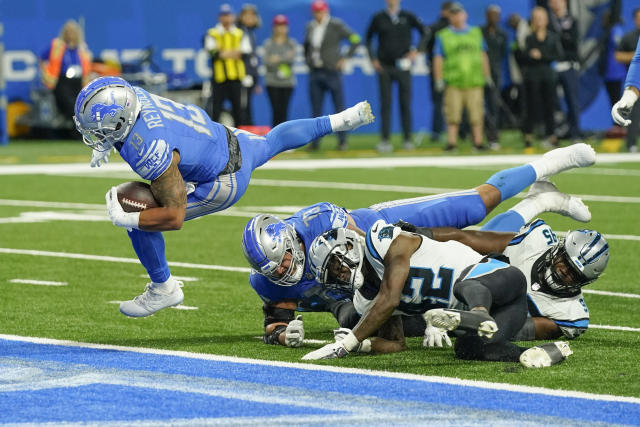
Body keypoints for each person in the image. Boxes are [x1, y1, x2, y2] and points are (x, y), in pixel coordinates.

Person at [73, 76, 374, 317]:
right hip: (228, 139)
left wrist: (129, 218)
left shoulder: (149, 147)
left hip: (221, 180)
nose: (96, 136)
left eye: (99, 131)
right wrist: (108, 142)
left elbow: (173, 216)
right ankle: (342, 120)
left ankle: (163, 287)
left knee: (140, 210)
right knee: (273, 141)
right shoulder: (133, 95)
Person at [241, 143, 596, 347]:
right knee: (488, 256)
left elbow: (371, 256)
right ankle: (538, 203)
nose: (285, 269)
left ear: (289, 238)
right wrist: (284, 335)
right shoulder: (268, 280)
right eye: (275, 269)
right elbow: (276, 319)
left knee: (474, 207)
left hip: (386, 236)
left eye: (286, 259)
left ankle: (551, 162)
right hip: (368, 291)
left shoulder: (317, 221)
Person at [301, 221, 573, 368]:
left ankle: (476, 314)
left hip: (500, 281)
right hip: (509, 314)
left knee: (464, 287)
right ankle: (541, 353)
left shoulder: (380, 241)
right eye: (332, 275)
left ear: (349, 246)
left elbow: (391, 297)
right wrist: (364, 345)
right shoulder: (365, 300)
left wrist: (345, 344)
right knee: (467, 350)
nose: (339, 274)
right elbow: (397, 344)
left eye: (336, 264)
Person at [400, 181, 609, 343]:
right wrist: (422, 234)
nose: (564, 272)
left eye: (574, 274)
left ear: (584, 282)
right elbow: (471, 238)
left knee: (406, 326)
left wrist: (459, 322)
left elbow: (514, 329)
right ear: (559, 249)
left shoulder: (572, 314)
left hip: (488, 313)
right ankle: (541, 200)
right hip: (464, 280)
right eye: (565, 262)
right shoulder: (537, 239)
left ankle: (539, 200)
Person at [366, 0, 426, 152]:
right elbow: (368, 38)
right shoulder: (378, 17)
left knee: (405, 103)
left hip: (403, 65)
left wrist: (416, 51)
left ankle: (407, 139)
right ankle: (385, 140)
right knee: (385, 104)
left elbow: (425, 32)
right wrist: (373, 59)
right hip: (385, 66)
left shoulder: (408, 16)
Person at [432, 2, 492, 151]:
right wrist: (438, 78)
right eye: (453, 14)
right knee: (453, 114)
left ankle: (477, 142)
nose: (457, 16)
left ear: (465, 15)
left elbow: (483, 54)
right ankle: (452, 142)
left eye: (459, 13)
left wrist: (487, 74)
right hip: (454, 81)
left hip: (474, 80)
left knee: (476, 114)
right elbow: (438, 58)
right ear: (449, 17)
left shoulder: (475, 33)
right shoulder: (443, 35)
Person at [304, 0, 361, 151]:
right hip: (315, 71)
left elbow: (355, 39)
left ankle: (342, 141)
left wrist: (345, 58)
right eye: (316, 11)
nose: (318, 14)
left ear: (326, 11)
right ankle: (315, 143)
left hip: (331, 72)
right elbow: (306, 46)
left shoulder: (336, 24)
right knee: (316, 109)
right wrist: (308, 61)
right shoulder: (310, 26)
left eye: (320, 11)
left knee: (339, 109)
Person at [521, 7, 563, 148]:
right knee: (531, 106)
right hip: (532, 77)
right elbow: (523, 56)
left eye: (541, 18)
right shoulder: (529, 37)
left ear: (546, 20)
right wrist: (531, 55)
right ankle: (528, 136)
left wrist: (541, 55)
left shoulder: (552, 36)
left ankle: (551, 135)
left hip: (548, 76)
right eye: (536, 18)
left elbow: (558, 55)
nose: (539, 21)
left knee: (549, 106)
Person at [204, 4, 251, 125]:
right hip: (219, 78)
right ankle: (215, 140)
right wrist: (232, 53)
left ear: (233, 17)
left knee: (239, 110)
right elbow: (211, 51)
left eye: (228, 15)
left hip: (236, 78)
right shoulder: (212, 33)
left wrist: (222, 52)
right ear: (219, 17)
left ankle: (241, 139)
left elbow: (245, 52)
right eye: (223, 15)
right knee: (216, 110)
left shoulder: (240, 33)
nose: (226, 18)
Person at [40, 20, 92, 123]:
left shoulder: (82, 48)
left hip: (79, 81)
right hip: (62, 81)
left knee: (82, 103)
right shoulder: (57, 45)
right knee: (69, 103)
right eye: (68, 31)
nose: (71, 34)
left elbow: (87, 64)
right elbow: (42, 58)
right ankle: (75, 127)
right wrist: (45, 73)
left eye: (73, 31)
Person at [548, 0, 582, 143]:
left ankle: (575, 134)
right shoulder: (548, 20)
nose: (555, 3)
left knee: (572, 101)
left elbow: (572, 42)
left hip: (568, 65)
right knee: (551, 102)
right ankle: (554, 134)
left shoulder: (571, 20)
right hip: (552, 66)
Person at [611, 8, 640, 152]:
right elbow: (638, 60)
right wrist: (629, 96)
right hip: (637, 84)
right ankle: (632, 144)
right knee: (633, 114)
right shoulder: (629, 37)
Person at [424, 2, 452, 144]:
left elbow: (425, 48)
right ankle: (439, 132)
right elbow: (429, 49)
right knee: (442, 102)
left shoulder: (434, 27)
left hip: (443, 70)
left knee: (440, 102)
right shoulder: (438, 29)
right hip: (446, 70)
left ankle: (437, 132)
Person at [263, 14, 298, 127]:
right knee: (276, 111)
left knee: (284, 112)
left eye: (283, 26)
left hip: (287, 83)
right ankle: (274, 140)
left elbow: (291, 59)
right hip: (272, 82)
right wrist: (284, 57)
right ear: (274, 28)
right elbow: (267, 62)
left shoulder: (291, 43)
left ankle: (284, 140)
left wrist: (276, 58)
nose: (280, 28)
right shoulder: (268, 43)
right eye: (278, 25)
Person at [481, 5, 508, 150]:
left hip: (495, 73)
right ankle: (474, 135)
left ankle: (493, 136)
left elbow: (502, 53)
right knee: (478, 106)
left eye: (496, 15)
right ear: (486, 16)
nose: (493, 18)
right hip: (479, 73)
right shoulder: (479, 32)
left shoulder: (502, 34)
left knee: (493, 105)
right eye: (491, 15)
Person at [237, 4, 262, 126]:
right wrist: (244, 73)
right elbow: (241, 56)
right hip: (242, 76)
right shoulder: (238, 32)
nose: (250, 18)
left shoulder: (250, 32)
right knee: (242, 106)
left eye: (252, 15)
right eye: (246, 15)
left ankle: (248, 132)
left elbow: (253, 59)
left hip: (250, 76)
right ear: (241, 16)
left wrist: (256, 79)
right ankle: (242, 134)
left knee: (247, 105)